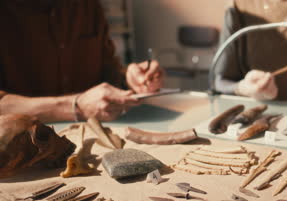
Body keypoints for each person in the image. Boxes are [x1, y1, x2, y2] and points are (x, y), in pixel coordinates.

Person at [0, 0, 164, 123]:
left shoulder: (87, 6)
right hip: (22, 152)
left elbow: (107, 71)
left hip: (97, 138)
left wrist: (129, 78)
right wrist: (75, 107)